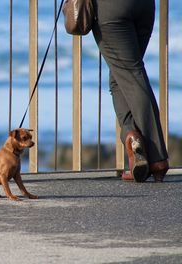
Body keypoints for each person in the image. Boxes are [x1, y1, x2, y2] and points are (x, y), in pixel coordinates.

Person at [91, 0, 169, 182]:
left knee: (130, 74)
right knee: (121, 77)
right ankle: (133, 139)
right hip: (144, 6)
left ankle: (157, 158)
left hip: (111, 9)